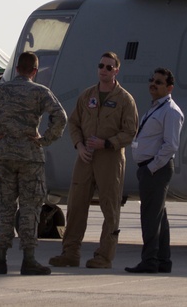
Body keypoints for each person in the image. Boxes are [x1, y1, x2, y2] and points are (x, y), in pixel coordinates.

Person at [0, 51, 68, 275]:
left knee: (5, 208)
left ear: (17, 69)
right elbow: (61, 117)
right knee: (30, 208)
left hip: (4, 156)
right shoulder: (40, 92)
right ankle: (29, 259)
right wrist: (46, 139)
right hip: (30, 157)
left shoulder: (0, 91)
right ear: (34, 70)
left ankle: (0, 259)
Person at [49, 51, 138, 269]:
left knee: (110, 207)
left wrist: (107, 143)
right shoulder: (87, 96)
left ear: (116, 70)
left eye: (109, 67)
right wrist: (79, 146)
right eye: (101, 66)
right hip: (85, 158)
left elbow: (130, 131)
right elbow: (74, 123)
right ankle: (70, 252)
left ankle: (104, 256)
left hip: (110, 158)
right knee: (76, 205)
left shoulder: (125, 99)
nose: (104, 70)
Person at [125, 67, 184, 274]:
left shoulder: (171, 111)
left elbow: (171, 145)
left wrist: (151, 167)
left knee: (150, 217)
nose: (153, 84)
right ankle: (162, 260)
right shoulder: (155, 108)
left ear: (169, 88)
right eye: (152, 80)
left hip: (155, 170)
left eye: (159, 82)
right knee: (159, 217)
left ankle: (149, 260)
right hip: (150, 169)